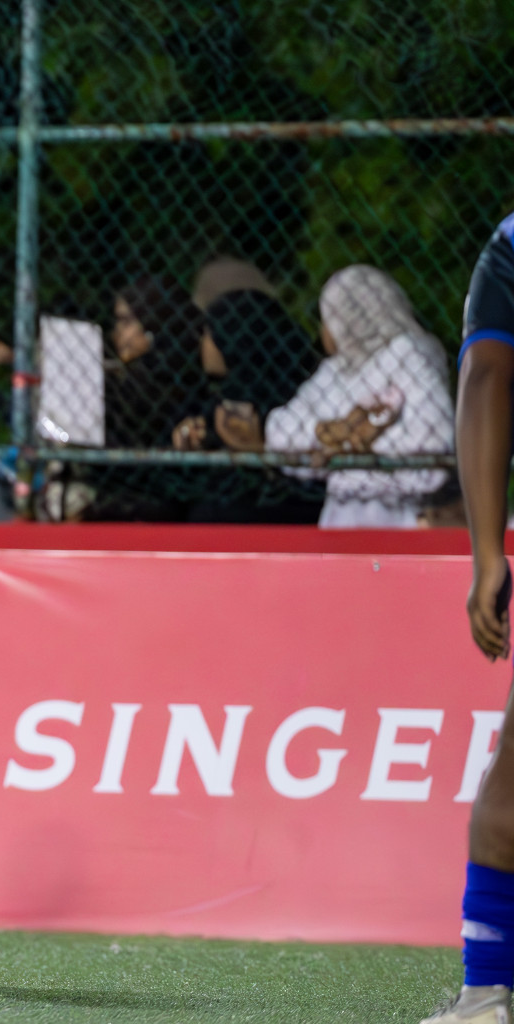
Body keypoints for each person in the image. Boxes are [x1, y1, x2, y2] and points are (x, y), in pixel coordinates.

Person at [418, 213, 514, 1024]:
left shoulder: (512, 243)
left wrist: (488, 554)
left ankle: (486, 992)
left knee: (511, 789)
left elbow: (487, 377)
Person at [265, 265, 454, 528]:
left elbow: (432, 454)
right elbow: (278, 433)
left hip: (403, 524)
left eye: (327, 319)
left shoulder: (412, 356)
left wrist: (355, 449)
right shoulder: (337, 370)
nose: (323, 332)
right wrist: (326, 432)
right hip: (342, 525)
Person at [170, 288, 324, 523]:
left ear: (230, 335)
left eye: (208, 331)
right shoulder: (223, 392)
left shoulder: (293, 392)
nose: (202, 341)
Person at [86, 276, 206, 521]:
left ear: (153, 324)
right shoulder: (134, 376)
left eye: (126, 321)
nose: (117, 332)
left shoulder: (157, 379)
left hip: (155, 500)